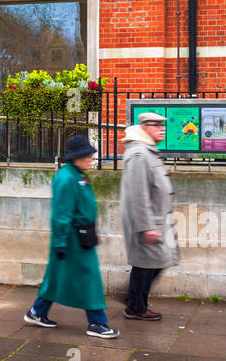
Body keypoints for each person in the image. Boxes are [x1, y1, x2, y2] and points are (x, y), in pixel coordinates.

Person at [25, 134, 119, 338]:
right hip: (73, 239)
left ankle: (37, 312)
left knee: (57, 278)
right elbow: (61, 213)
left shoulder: (77, 174)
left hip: (80, 236)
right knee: (89, 278)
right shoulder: (67, 178)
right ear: (75, 157)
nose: (90, 159)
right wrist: (60, 243)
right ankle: (97, 322)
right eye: (87, 156)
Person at [120, 112, 177, 320]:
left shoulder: (147, 151)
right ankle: (135, 305)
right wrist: (146, 226)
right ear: (144, 127)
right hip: (148, 222)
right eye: (157, 125)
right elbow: (137, 193)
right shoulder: (138, 154)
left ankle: (135, 301)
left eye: (163, 125)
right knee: (147, 264)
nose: (162, 128)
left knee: (153, 263)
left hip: (157, 220)